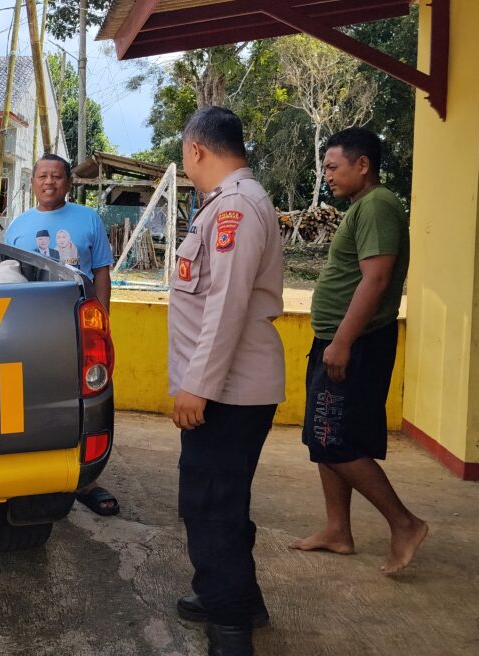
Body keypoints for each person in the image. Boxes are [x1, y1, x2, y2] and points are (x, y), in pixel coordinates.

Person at [168, 106, 284, 656]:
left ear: (196, 149)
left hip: (226, 393)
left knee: (209, 505)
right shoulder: (228, 203)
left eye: (185, 154)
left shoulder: (235, 206)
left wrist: (198, 386)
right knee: (226, 500)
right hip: (230, 389)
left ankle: (231, 628)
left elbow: (227, 305)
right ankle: (237, 597)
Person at [290, 127, 428, 575]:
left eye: (333, 166)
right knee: (324, 436)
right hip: (337, 341)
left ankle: (404, 523)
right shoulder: (364, 207)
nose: (327, 175)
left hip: (354, 344)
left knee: (332, 440)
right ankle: (338, 530)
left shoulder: (377, 206)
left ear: (362, 164)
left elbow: (377, 279)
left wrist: (343, 342)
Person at [5, 153, 119, 517]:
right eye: (42, 176)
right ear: (33, 182)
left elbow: (101, 272)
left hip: (77, 329)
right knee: (29, 401)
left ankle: (85, 481)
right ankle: (27, 475)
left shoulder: (88, 220)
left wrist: (102, 320)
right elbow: (5, 277)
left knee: (83, 402)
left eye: (56, 176)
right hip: (28, 331)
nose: (49, 182)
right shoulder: (18, 225)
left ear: (68, 182)